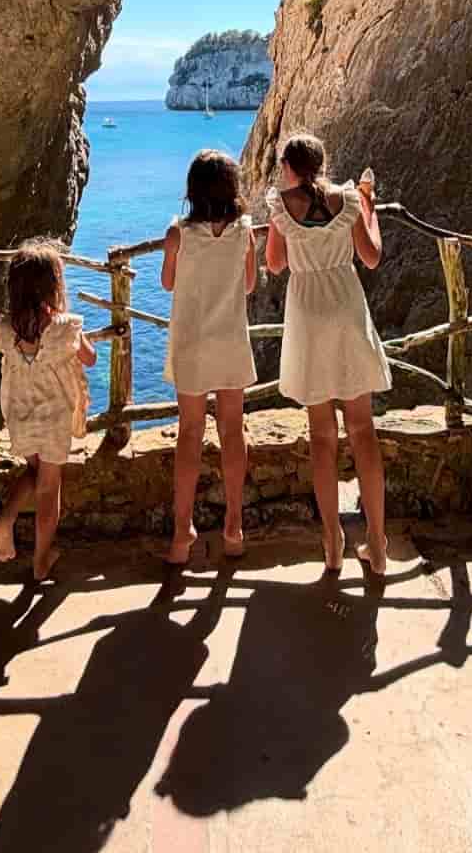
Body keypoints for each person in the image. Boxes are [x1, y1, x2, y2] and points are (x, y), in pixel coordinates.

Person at [265, 133, 390, 573]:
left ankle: (332, 539)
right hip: (347, 306)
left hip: (308, 314)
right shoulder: (349, 199)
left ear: (288, 167)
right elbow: (371, 257)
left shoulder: (281, 206)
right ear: (321, 163)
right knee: (362, 429)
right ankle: (377, 544)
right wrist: (370, 210)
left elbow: (275, 264)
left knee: (322, 435)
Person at [160, 150, 258, 563]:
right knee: (232, 431)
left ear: (193, 190)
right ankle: (234, 526)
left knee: (190, 434)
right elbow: (249, 284)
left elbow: (167, 283)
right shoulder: (245, 232)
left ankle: (182, 534)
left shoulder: (178, 233)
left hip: (192, 344)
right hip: (230, 340)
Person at [0, 237, 96, 579]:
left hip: (20, 413)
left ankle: (6, 518)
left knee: (35, 473)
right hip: (54, 417)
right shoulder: (64, 327)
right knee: (50, 488)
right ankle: (41, 560)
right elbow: (90, 358)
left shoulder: (6, 327)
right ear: (54, 285)